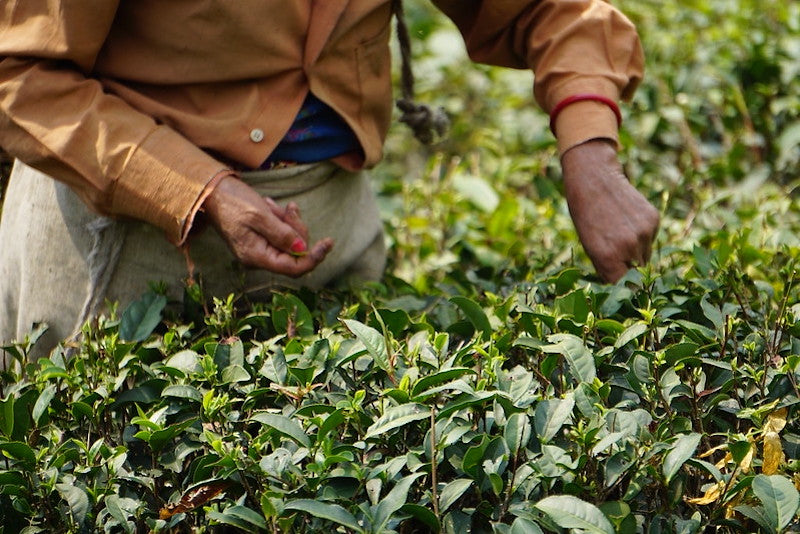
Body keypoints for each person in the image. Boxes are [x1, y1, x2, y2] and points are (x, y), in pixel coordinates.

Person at [0, 0, 659, 360]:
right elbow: (25, 81)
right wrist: (197, 190)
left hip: (335, 235)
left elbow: (545, 11)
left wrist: (590, 155)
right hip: (128, 246)